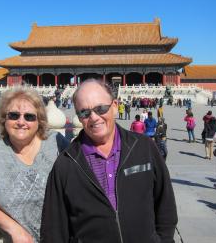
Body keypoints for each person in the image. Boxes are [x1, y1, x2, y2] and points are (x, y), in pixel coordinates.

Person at [41, 79, 177, 243]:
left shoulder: (144, 148)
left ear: (114, 106)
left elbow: (165, 205)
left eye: (101, 109)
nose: (94, 118)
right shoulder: (66, 163)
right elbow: (54, 230)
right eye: (84, 112)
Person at [0, 86, 69, 243]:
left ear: (39, 121)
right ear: (4, 118)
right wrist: (12, 228)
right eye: (14, 115)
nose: (21, 122)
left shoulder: (56, 144)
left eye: (29, 117)